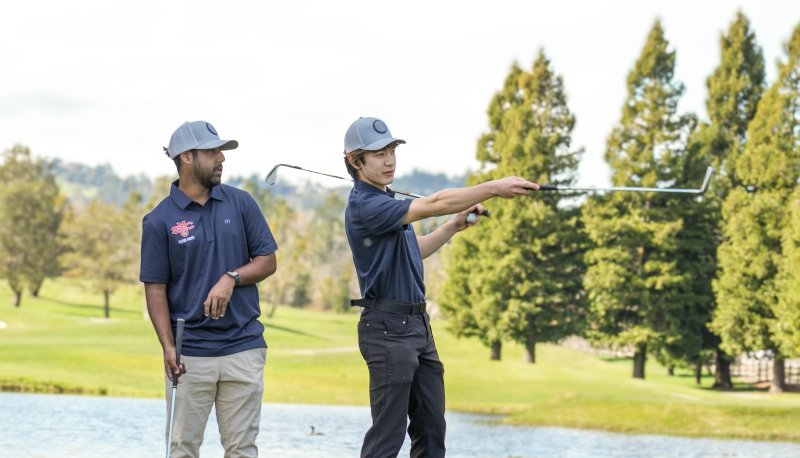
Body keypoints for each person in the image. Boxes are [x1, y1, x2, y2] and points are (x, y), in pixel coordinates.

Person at [342, 116, 539, 457]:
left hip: (418, 327)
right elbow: (433, 203)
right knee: (387, 437)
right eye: (378, 154)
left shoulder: (387, 204)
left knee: (431, 431)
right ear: (355, 161)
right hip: (388, 331)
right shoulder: (367, 206)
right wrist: (493, 187)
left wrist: (451, 227)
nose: (389, 160)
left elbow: (412, 252)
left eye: (391, 150)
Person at [140, 120, 278, 458]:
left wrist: (231, 276)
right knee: (183, 449)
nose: (221, 158)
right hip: (190, 356)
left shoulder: (241, 203)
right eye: (213, 151)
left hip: (243, 347)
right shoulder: (159, 220)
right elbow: (155, 289)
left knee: (242, 450)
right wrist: (167, 347)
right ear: (186, 157)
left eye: (221, 151)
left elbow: (267, 260)